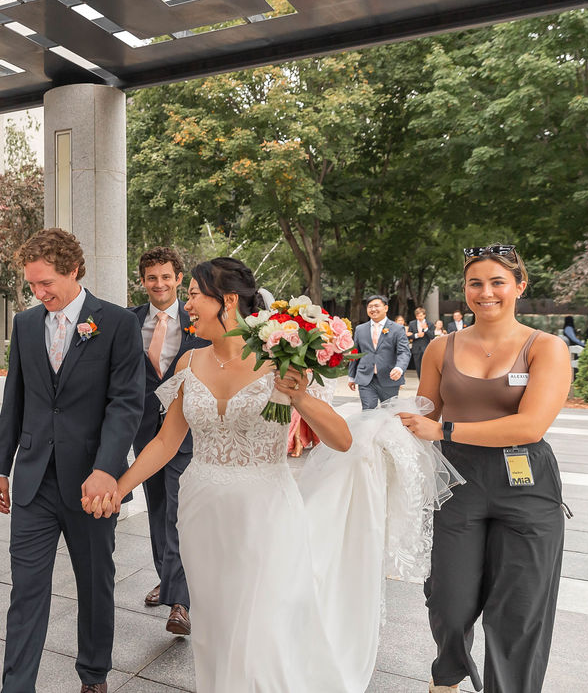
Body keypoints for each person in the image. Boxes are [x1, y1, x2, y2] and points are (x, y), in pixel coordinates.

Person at [85, 257, 461, 692]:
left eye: (192, 294)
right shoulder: (189, 363)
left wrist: (300, 397)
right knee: (216, 625)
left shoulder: (280, 361)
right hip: (201, 509)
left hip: (265, 510)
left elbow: (341, 439)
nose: (185, 303)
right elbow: (166, 443)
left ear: (226, 301)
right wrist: (119, 486)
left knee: (262, 623)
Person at [398, 244, 571, 693]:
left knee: (518, 609)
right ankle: (448, 673)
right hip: (457, 483)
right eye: (476, 283)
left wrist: (446, 431)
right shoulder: (441, 347)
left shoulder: (546, 347)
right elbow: (426, 414)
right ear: (465, 289)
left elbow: (530, 426)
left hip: (526, 483)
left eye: (498, 282)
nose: (486, 292)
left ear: (519, 286)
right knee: (449, 601)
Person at [0, 228, 144, 693]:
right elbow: (14, 399)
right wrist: (1, 466)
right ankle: (16, 687)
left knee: (95, 585)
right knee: (26, 590)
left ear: (73, 270)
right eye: (32, 285)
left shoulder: (117, 323)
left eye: (46, 283)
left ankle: (93, 676)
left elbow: (126, 403)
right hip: (35, 481)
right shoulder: (25, 324)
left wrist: (106, 469)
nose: (39, 293)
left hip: (94, 485)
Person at [130, 247, 209, 635]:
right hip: (145, 433)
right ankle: (168, 578)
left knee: (179, 511)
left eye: (166, 276)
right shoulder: (127, 322)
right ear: (142, 281)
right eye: (151, 277)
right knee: (158, 508)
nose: (159, 284)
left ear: (178, 278)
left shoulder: (199, 319)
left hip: (188, 432)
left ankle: (181, 602)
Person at [348, 295, 411, 409]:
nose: (373, 309)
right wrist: (351, 376)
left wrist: (399, 368)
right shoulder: (360, 329)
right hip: (365, 378)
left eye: (376, 306)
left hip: (389, 378)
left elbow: (404, 352)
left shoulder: (397, 329)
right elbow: (355, 353)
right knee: (368, 412)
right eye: (370, 307)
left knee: (389, 413)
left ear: (386, 308)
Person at [409, 306, 436, 377]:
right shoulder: (412, 323)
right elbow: (408, 335)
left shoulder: (430, 324)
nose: (419, 317)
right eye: (417, 316)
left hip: (426, 348)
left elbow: (432, 336)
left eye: (421, 315)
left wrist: (426, 329)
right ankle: (420, 382)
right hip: (416, 349)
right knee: (418, 367)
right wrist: (417, 335)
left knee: (427, 366)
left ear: (424, 315)